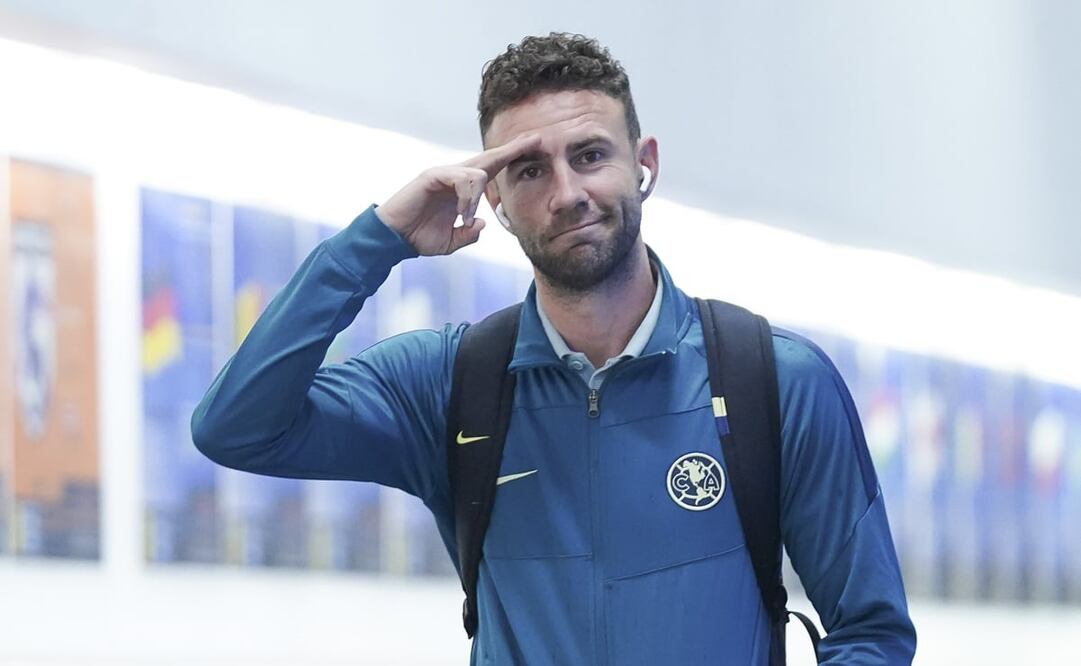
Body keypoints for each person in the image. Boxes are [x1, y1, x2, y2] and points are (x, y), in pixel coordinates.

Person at [192, 32, 916, 664]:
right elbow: (237, 428)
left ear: (644, 163)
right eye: (530, 169)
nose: (567, 192)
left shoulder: (773, 381)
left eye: (590, 154)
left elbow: (870, 630)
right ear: (497, 198)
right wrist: (375, 241)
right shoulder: (449, 384)